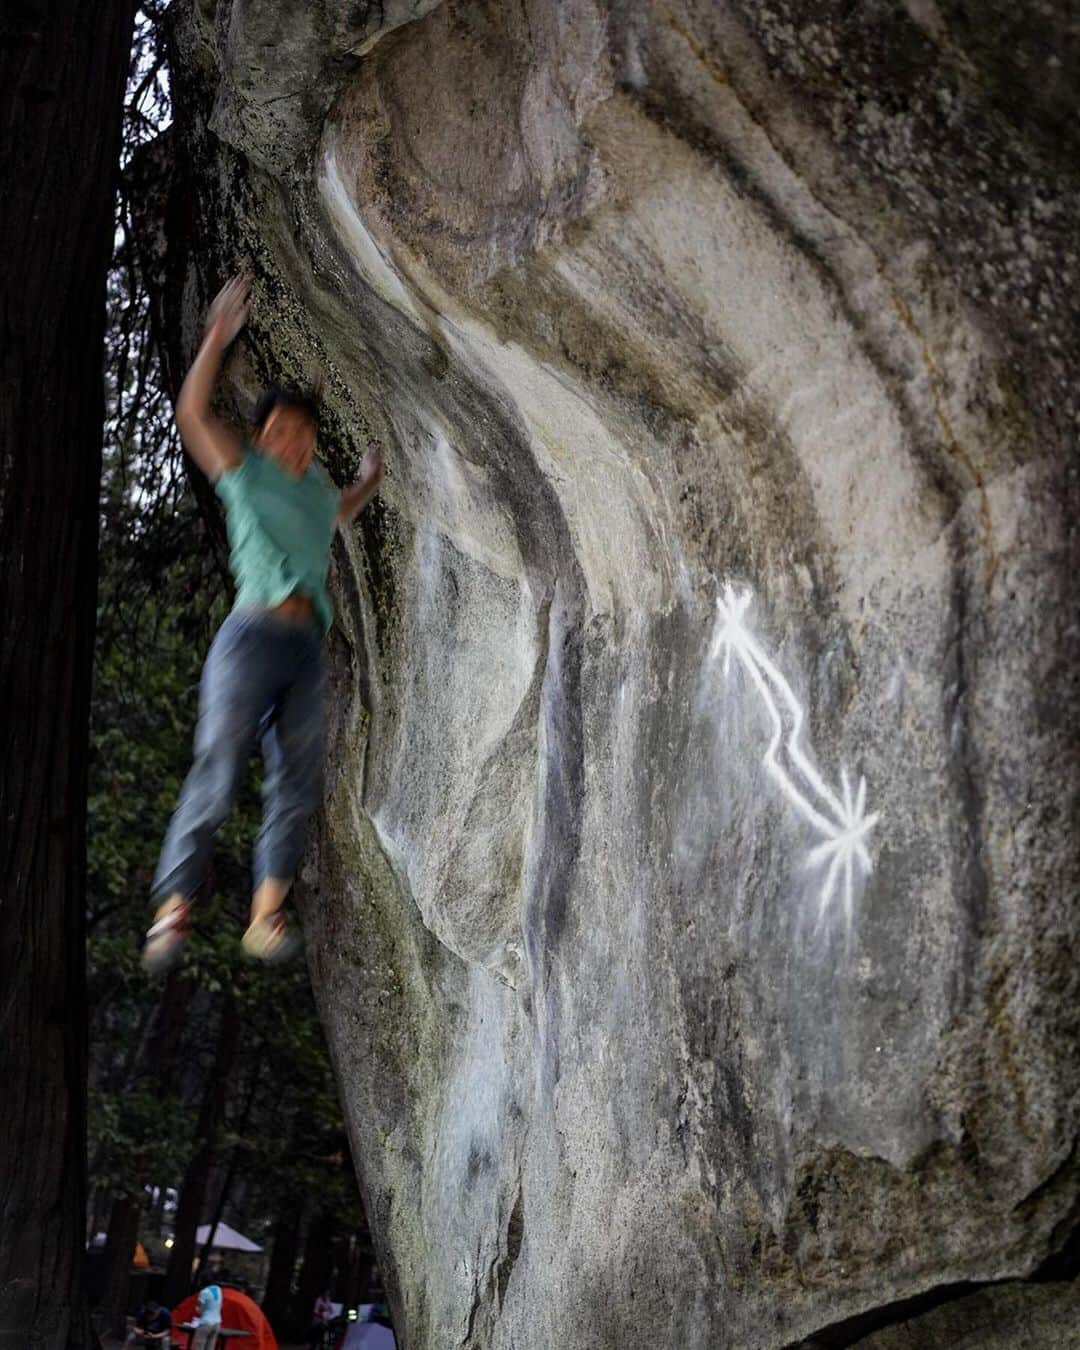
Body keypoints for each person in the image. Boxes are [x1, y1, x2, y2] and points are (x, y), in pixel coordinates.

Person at [142, 273, 383, 970]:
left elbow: (340, 509)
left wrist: (368, 476)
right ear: (258, 436)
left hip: (305, 649)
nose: (294, 444)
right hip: (249, 638)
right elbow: (192, 416)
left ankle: (264, 916)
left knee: (296, 783)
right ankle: (171, 910)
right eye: (280, 433)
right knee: (219, 768)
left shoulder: (312, 489)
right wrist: (216, 334)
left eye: (304, 435)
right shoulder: (244, 472)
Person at [193, 1280, 223, 1350]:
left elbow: (200, 1310)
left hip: (206, 1323)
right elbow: (220, 1305)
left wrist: (196, 1309)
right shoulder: (218, 1289)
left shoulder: (204, 1292)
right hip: (217, 1323)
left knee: (199, 1346)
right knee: (210, 1347)